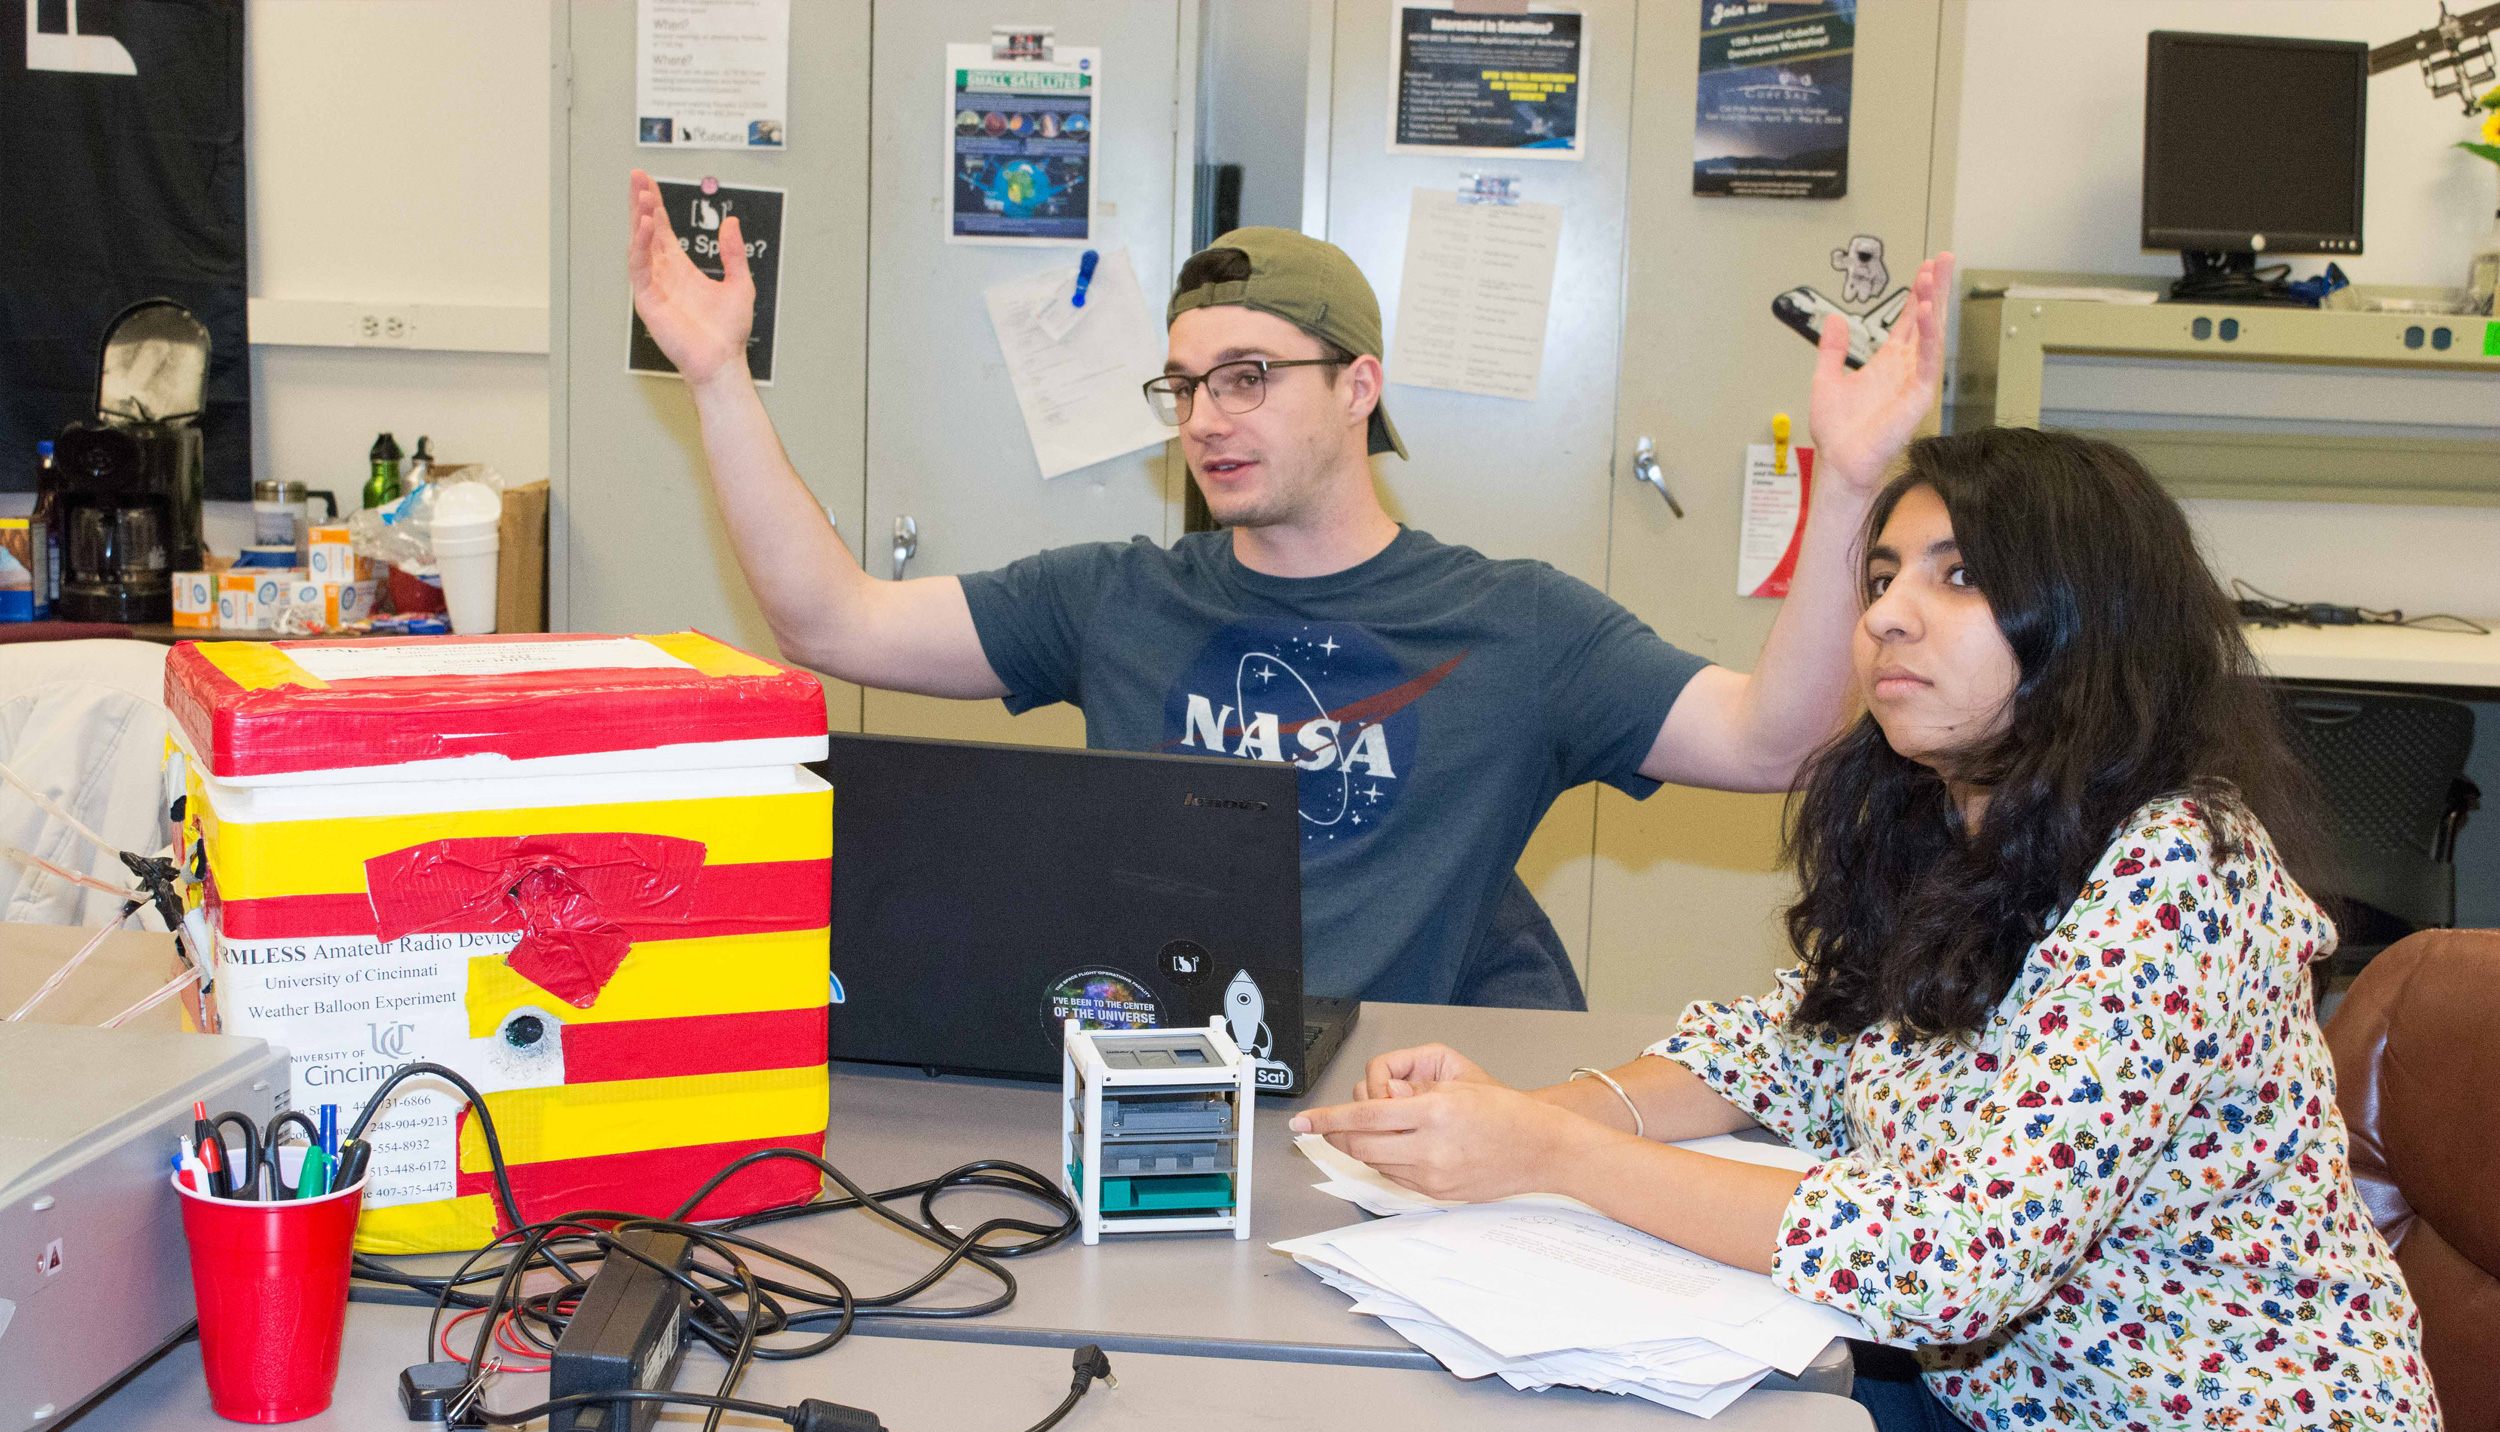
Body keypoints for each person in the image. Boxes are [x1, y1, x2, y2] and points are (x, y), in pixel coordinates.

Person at [1292, 426, 2445, 1432]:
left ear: (2088, 620)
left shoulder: (2177, 869)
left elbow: (1955, 1258)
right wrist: (1537, 1113)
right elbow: (1792, 1050)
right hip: (2018, 1414)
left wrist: (1548, 1159)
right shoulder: (1959, 824)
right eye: (1884, 574)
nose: (1890, 614)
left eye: (1956, 576)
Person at [626, 168, 1956, 1008]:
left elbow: (1777, 738)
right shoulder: (1114, 600)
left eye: (1252, 375)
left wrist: (1846, 486)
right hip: (1164, 1096)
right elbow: (830, 620)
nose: (1207, 417)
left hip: (1405, 1123)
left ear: (1359, 387)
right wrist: (717, 379)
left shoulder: (1517, 626)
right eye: (1187, 383)